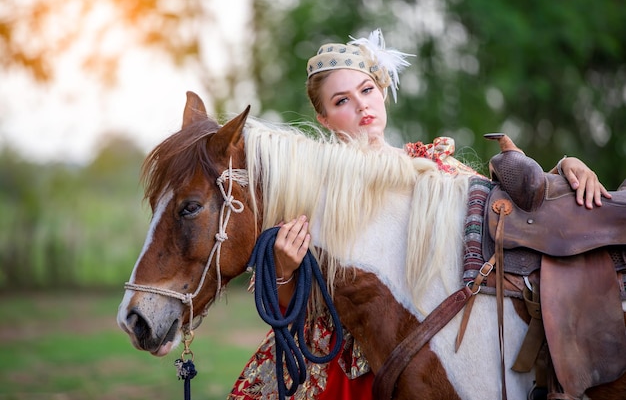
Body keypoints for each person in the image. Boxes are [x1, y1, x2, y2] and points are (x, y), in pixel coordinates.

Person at [228, 29, 611, 400]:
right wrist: (283, 270)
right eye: (341, 100)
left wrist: (561, 172)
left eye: (367, 90)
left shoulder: (429, 165)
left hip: (433, 343)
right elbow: (290, 310)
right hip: (344, 365)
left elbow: (503, 210)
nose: (361, 105)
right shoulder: (312, 191)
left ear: (382, 94)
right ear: (324, 119)